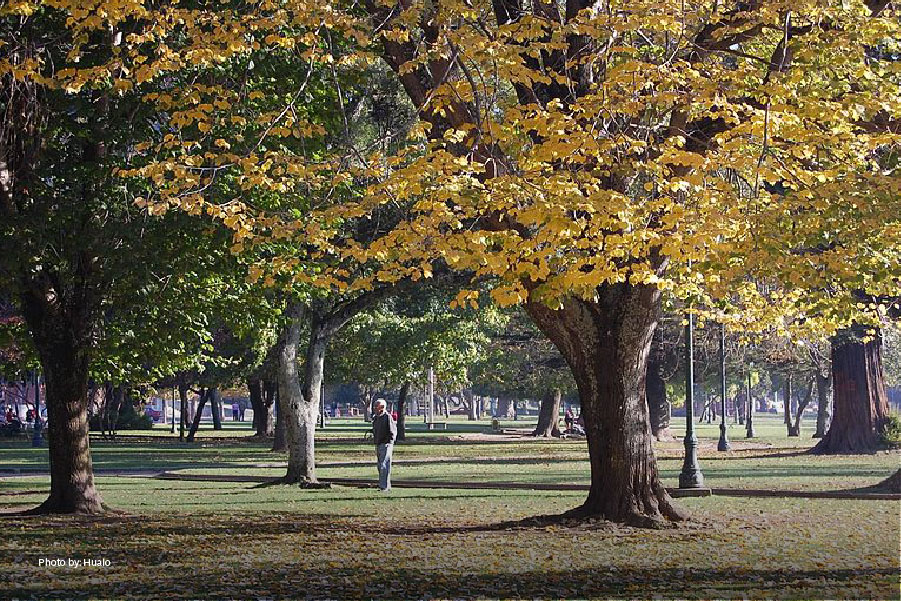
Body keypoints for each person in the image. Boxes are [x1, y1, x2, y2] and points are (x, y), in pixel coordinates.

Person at [371, 399, 396, 492]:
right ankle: (385, 485)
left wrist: (388, 442)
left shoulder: (387, 417)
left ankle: (384, 487)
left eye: (376, 406)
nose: (374, 408)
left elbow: (392, 432)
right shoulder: (376, 418)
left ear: (382, 407)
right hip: (378, 443)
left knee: (384, 465)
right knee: (380, 465)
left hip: (386, 444)